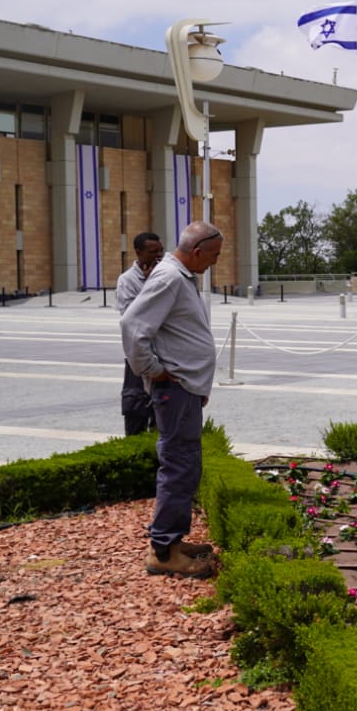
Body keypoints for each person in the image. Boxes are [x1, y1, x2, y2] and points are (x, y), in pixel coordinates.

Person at [120, 221, 223, 578]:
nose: (214, 264)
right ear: (196, 252)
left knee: (185, 464)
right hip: (174, 390)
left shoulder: (180, 276)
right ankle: (164, 552)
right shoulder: (168, 278)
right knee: (179, 465)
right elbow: (133, 326)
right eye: (213, 256)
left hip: (184, 388)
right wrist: (153, 370)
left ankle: (172, 542)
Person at [115, 231, 164, 436]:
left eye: (160, 251)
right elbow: (132, 317)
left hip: (164, 354)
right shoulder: (127, 280)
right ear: (138, 252)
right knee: (136, 408)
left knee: (163, 413)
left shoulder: (166, 275)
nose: (158, 256)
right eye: (152, 251)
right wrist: (148, 284)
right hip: (138, 357)